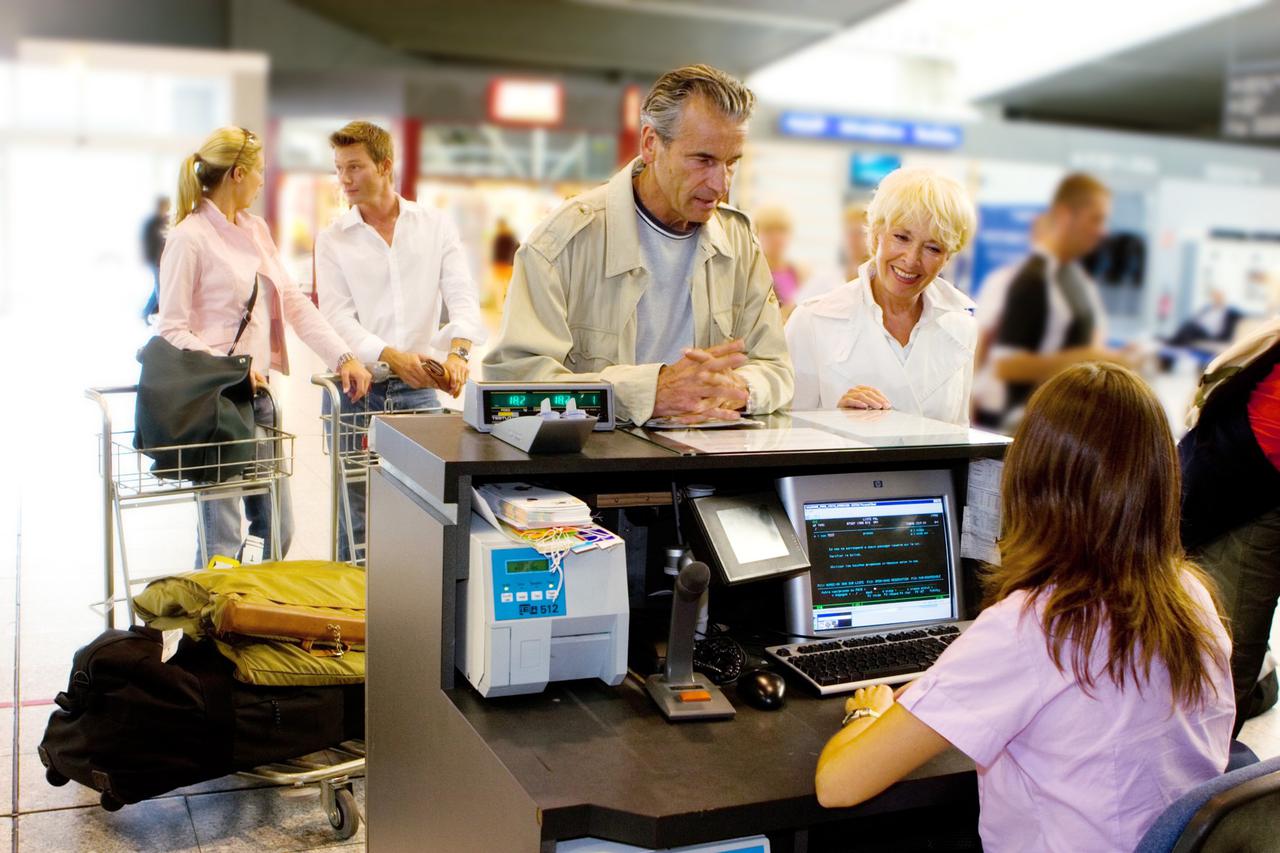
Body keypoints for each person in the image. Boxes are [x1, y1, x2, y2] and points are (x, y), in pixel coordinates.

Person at [813, 363, 1234, 852]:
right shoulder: (1190, 594)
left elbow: (838, 785)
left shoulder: (1034, 626)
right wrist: (945, 692)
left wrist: (870, 712)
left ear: (1031, 480)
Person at [482, 64, 793, 425]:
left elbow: (776, 368)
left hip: (708, 456)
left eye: (731, 163)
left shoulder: (739, 242)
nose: (721, 185)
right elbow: (514, 387)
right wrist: (648, 394)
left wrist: (736, 388)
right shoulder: (562, 243)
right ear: (650, 144)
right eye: (703, 160)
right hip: (596, 459)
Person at [158, 126, 372, 566]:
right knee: (222, 538)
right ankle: (217, 609)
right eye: (258, 171)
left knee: (277, 528)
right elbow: (172, 328)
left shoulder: (255, 229)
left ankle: (249, 600)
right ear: (238, 174)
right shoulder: (189, 237)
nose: (261, 181)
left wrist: (343, 356)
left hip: (261, 399)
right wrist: (230, 367)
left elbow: (292, 301)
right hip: (217, 402)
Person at [315, 120, 486, 561]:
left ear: (385, 165)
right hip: (357, 393)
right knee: (355, 519)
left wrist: (458, 353)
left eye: (355, 167)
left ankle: (413, 602)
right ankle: (351, 604)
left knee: (424, 510)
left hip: (419, 392)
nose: (344, 179)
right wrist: (392, 356)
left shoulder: (434, 225)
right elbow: (337, 317)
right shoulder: (332, 239)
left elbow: (462, 295)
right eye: (339, 168)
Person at [785, 167, 978, 425]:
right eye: (901, 237)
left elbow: (959, 434)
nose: (911, 259)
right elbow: (783, 436)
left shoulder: (961, 327)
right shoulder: (812, 321)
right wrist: (834, 423)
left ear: (948, 257)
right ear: (876, 234)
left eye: (932, 248)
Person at [1180, 316, 1280, 736]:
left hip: (1243, 474)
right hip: (1244, 485)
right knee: (1222, 653)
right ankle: (1201, 766)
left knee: (1222, 647)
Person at [981, 173, 1135, 430]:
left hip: (1068, 424)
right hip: (1031, 426)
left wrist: (1109, 358)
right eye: (1095, 219)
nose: (1102, 232)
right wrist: (1084, 359)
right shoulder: (1032, 279)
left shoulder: (1076, 278)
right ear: (1065, 215)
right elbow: (1005, 365)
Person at [793, 202, 870, 304]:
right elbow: (796, 307)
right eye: (849, 233)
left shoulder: (878, 285)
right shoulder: (825, 279)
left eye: (860, 233)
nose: (853, 239)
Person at [752, 205, 807, 312]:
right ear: (756, 234)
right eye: (769, 230)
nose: (776, 238)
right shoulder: (753, 273)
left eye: (782, 230)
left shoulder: (800, 273)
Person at [140, 196, 170, 321]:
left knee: (158, 287)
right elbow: (152, 243)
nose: (167, 209)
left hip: (159, 260)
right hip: (155, 260)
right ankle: (162, 316)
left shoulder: (162, 221)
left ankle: (146, 313)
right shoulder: (153, 222)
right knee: (160, 288)